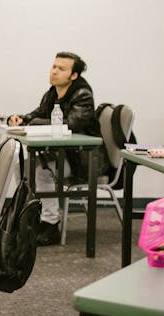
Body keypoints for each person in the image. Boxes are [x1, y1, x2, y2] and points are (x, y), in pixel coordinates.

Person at [7, 52, 100, 245]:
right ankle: (29, 214)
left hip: (81, 159)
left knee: (41, 171)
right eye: (54, 66)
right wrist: (20, 119)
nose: (54, 71)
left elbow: (71, 124)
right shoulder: (52, 93)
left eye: (61, 69)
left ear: (73, 76)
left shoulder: (83, 94)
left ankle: (50, 224)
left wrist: (34, 122)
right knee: (20, 164)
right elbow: (38, 114)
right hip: (61, 154)